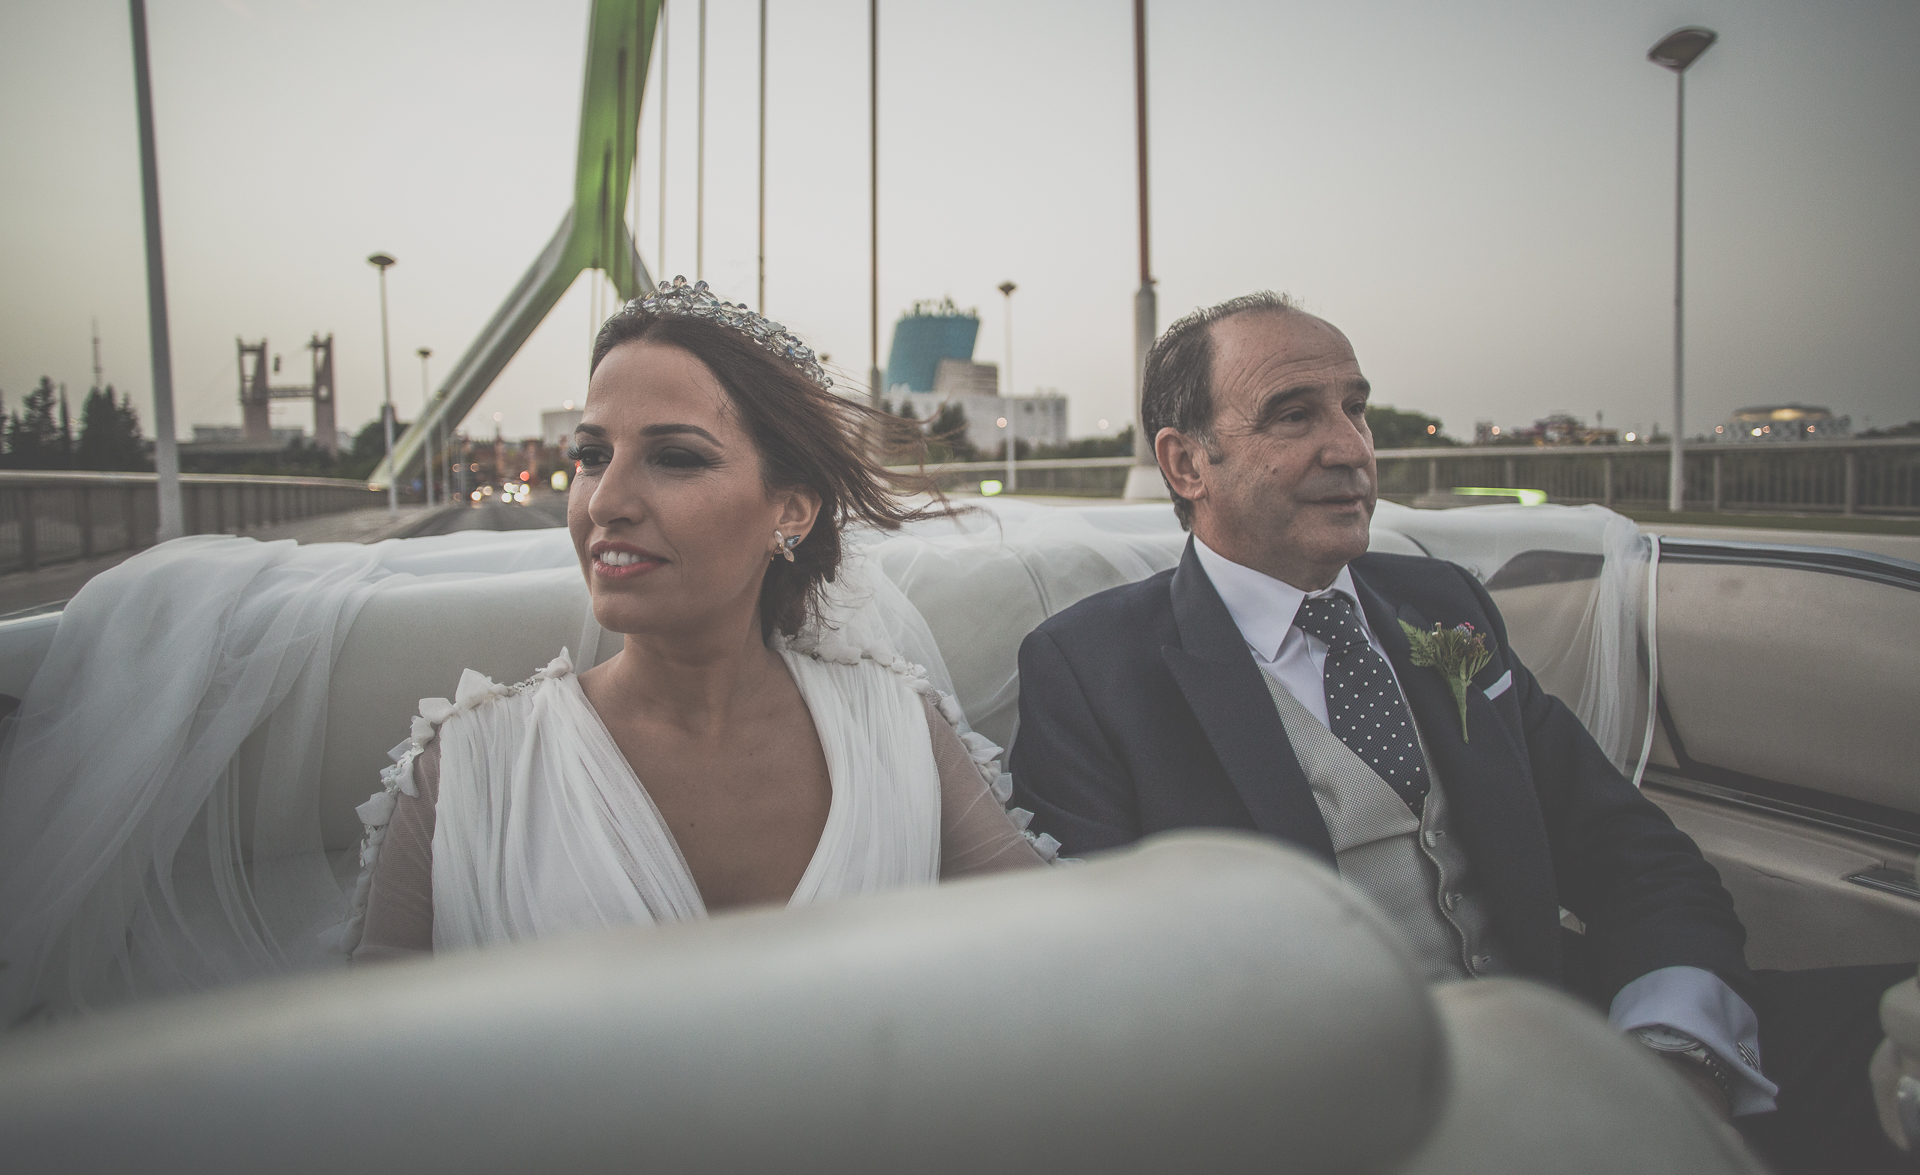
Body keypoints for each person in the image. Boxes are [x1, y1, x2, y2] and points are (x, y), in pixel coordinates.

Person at [1008, 291, 1910, 1173]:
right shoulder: (1090, 670)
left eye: (1357, 409)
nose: (1351, 448)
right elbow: (1121, 1001)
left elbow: (1632, 855)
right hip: (1333, 1120)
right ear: (1185, 464)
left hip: (1578, 1034)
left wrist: (1676, 1061)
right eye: (1294, 415)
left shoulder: (1444, 606)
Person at [344, 278, 1050, 959]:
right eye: (592, 456)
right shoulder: (466, 773)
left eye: (675, 458)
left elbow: (1052, 958)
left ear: (790, 511)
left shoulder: (898, 732)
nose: (604, 502)